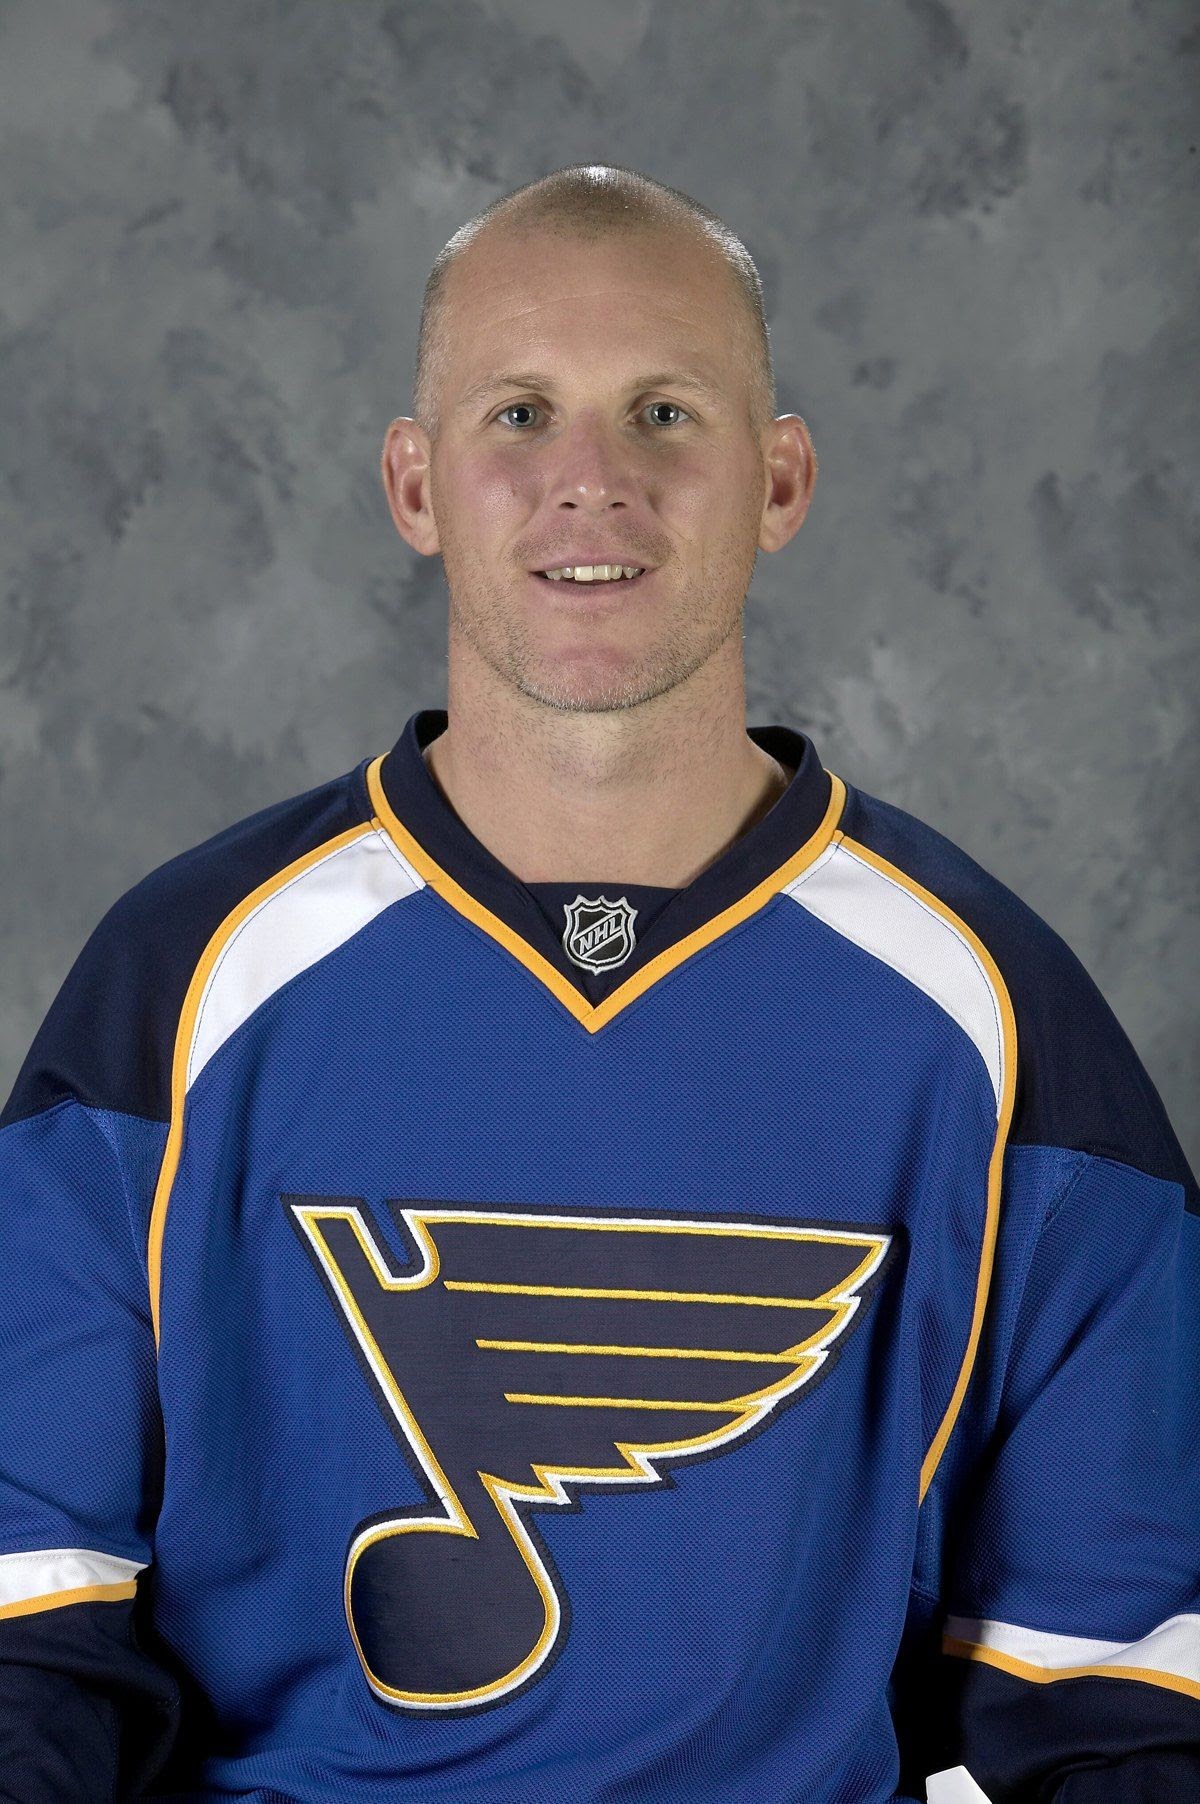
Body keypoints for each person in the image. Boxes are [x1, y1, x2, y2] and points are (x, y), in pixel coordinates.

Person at [0, 163, 1195, 1804]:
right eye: (519, 414)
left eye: (663, 415)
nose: (591, 482)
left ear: (781, 480)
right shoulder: (186, 980)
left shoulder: (992, 1015)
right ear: (414, 484)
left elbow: (1130, 1692)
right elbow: (29, 1627)